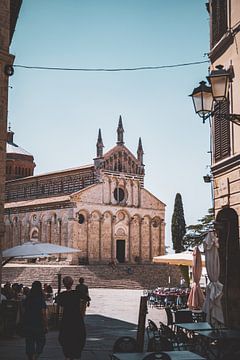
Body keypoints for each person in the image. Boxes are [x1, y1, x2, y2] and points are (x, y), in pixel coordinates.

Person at [56, 276, 86, 360]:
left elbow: (58, 302)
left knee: (65, 336)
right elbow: (87, 298)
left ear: (64, 284)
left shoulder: (62, 295)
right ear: (72, 283)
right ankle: (76, 355)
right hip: (77, 318)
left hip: (67, 318)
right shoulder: (77, 293)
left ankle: (68, 355)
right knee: (79, 336)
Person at [22, 281, 48, 360]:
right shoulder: (40, 299)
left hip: (28, 323)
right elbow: (43, 313)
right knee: (41, 341)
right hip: (38, 323)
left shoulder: (28, 298)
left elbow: (23, 310)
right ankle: (36, 355)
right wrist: (46, 324)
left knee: (29, 341)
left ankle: (31, 356)